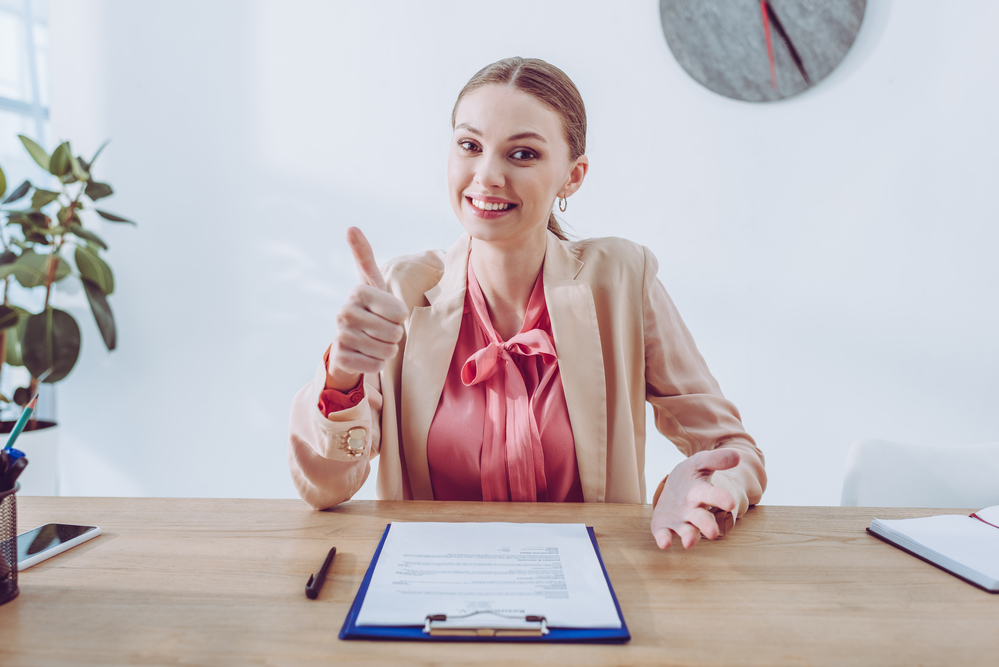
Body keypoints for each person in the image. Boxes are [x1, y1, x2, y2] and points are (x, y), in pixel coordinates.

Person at [288, 57, 766, 550]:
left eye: (523, 154)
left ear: (572, 177)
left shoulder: (622, 278)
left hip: (591, 583)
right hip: (432, 583)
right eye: (470, 146)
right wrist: (341, 379)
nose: (488, 175)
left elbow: (733, 450)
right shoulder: (401, 292)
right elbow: (324, 488)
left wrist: (700, 489)